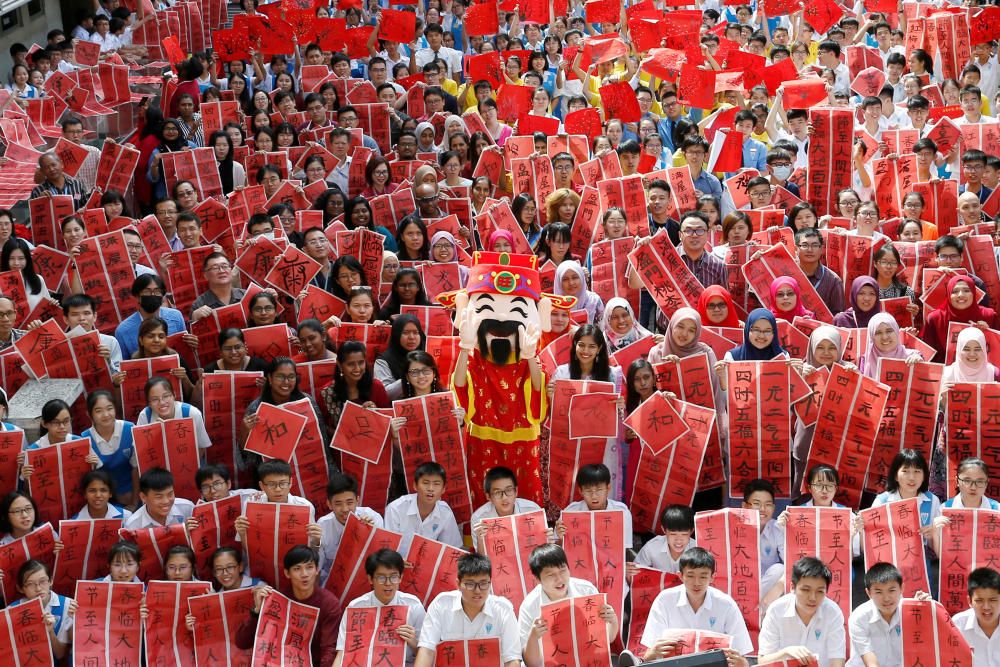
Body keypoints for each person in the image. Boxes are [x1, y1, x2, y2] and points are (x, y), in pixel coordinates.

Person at [635, 547, 753, 662]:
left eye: (703, 576)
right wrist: (652, 654)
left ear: (712, 577)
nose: (696, 583)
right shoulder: (664, 600)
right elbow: (649, 654)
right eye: (690, 576)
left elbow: (741, 654)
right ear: (680, 576)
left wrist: (740, 663)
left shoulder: (726, 604)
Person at [235, 546, 342, 667]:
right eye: (297, 569)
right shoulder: (278, 600)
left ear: (317, 570)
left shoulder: (329, 603)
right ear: (287, 573)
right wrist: (257, 610)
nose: (304, 574)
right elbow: (242, 642)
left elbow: (329, 649)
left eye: (309, 567)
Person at [413, 552, 522, 667]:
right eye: (470, 584)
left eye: (483, 583)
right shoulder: (442, 605)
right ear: (458, 584)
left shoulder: (503, 609)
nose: (478, 591)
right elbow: (427, 651)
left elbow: (512, 659)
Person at [519, 544, 618, 667]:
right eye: (551, 575)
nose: (559, 579)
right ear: (537, 579)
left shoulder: (586, 591)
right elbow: (531, 664)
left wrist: (613, 621)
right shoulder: (529, 606)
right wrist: (534, 636)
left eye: (563, 570)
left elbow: (608, 639)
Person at [333, 548, 425, 667]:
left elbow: (428, 654)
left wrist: (413, 642)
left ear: (401, 577)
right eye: (381, 578)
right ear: (370, 579)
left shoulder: (413, 605)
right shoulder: (356, 607)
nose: (388, 583)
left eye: (393, 577)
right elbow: (342, 654)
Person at [758, 557, 847, 667]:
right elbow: (762, 661)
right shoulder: (776, 610)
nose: (813, 598)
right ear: (792, 587)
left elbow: (837, 662)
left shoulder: (833, 612)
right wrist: (785, 653)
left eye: (820, 591)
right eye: (806, 590)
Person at [847, 563, 931, 667]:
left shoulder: (913, 613)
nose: (886, 598)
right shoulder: (859, 618)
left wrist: (926, 610)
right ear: (869, 593)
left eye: (891, 590)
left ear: (901, 588)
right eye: (879, 592)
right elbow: (871, 663)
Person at [871, 449, 942, 555]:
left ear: (924, 476)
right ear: (895, 475)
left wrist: (933, 536)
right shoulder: (882, 502)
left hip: (920, 563)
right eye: (905, 471)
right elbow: (871, 541)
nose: (912, 478)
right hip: (890, 562)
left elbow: (939, 550)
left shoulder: (933, 501)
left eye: (917, 471)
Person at [318, 473, 384, 586]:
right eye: (338, 504)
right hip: (333, 583)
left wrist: (369, 533)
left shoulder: (373, 517)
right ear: (329, 504)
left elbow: (382, 560)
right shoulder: (323, 525)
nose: (345, 509)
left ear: (357, 500)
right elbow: (318, 566)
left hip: (366, 582)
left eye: (349, 503)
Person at [384, 461, 463, 554]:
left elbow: (452, 550)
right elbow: (388, 549)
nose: (430, 488)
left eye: (436, 484)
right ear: (415, 486)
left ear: (443, 489)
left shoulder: (445, 512)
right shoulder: (396, 508)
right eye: (425, 483)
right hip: (397, 564)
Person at [920, 275, 1000, 363]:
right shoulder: (935, 318)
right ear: (949, 294)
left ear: (973, 293)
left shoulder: (988, 315)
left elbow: (997, 351)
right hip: (946, 373)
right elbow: (927, 354)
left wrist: (989, 333)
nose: (961, 295)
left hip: (981, 372)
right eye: (955, 291)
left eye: (966, 290)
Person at [80, 391, 138, 507]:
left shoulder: (130, 429)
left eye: (109, 408)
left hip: (132, 493)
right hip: (102, 500)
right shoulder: (84, 439)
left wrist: (134, 502)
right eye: (98, 411)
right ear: (89, 414)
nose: (106, 414)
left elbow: (136, 469)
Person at [9, 560, 73, 659]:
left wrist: (51, 631)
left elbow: (60, 654)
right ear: (20, 588)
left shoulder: (67, 605)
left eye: (43, 581)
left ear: (51, 581)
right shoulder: (11, 611)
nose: (38, 588)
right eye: (30, 584)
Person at [115, 274, 188, 360]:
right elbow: (124, 365)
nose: (152, 295)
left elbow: (184, 352)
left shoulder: (176, 317)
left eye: (157, 291)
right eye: (147, 291)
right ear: (137, 296)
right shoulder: (123, 330)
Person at [471, 467, 544, 546]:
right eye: (497, 492)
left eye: (508, 490)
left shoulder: (532, 510)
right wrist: (481, 540)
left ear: (516, 491)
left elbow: (543, 547)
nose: (504, 497)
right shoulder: (478, 518)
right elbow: (481, 558)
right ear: (488, 496)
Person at [952, 567, 1000, 667]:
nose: (986, 607)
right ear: (969, 601)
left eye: (992, 600)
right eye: (979, 601)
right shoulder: (958, 625)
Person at [123, 467, 195, 529]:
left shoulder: (187, 508)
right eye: (159, 497)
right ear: (143, 497)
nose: (166, 501)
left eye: (170, 494)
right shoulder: (133, 525)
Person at [375, 314, 426, 400]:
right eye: (405, 333)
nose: (411, 337)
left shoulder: (427, 355)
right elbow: (384, 393)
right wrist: (408, 376)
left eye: (415, 332)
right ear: (396, 335)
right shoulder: (383, 360)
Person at [633, 504, 696, 573]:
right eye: (673, 534)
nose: (678, 540)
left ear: (692, 531)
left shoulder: (698, 548)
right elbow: (636, 572)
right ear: (664, 530)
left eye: (684, 534)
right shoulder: (652, 547)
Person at [858, 313, 923, 379]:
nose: (884, 337)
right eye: (878, 333)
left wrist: (920, 364)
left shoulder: (913, 355)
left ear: (897, 332)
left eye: (889, 331)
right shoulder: (865, 361)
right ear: (872, 337)